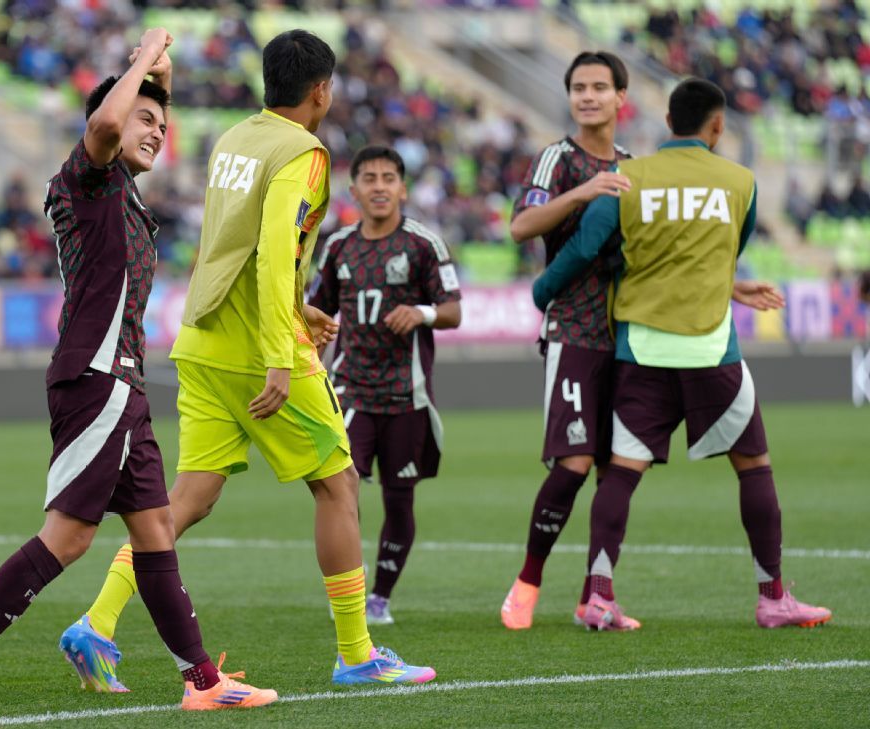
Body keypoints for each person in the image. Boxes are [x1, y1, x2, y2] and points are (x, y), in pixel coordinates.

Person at [0, 29, 276, 724]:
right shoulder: (87, 176)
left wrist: (157, 77)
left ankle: (202, 680)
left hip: (125, 385)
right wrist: (145, 54)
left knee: (156, 530)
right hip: (96, 379)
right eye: (146, 118)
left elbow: (130, 118)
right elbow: (108, 123)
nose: (157, 130)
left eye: (163, 123)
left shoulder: (127, 194)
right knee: (70, 535)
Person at [58, 30, 436, 693]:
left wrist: (298, 306)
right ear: (322, 92)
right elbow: (271, 249)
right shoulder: (303, 152)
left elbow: (229, 242)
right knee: (338, 485)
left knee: (187, 498)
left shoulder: (235, 138)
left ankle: (98, 622)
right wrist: (280, 353)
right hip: (257, 348)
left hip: (203, 341)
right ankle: (357, 652)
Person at [531, 77, 831, 631]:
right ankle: (772, 598)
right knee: (754, 467)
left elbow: (585, 248)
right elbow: (725, 253)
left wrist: (543, 291)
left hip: (641, 350)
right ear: (718, 126)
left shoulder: (626, 180)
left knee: (622, 473)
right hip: (712, 350)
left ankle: (598, 596)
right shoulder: (740, 182)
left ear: (667, 122)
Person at [500, 51, 635, 631]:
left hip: (628, 338)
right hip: (572, 331)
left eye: (599, 87)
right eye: (579, 87)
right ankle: (527, 582)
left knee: (616, 468)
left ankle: (595, 596)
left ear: (621, 97)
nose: (588, 96)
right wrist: (583, 194)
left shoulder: (635, 167)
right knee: (574, 462)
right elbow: (521, 227)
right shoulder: (557, 159)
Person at [306, 145, 462, 625]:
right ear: (353, 190)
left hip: (406, 394)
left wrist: (422, 312)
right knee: (339, 490)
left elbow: (454, 311)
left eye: (388, 178)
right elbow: (317, 313)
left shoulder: (423, 244)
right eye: (369, 178)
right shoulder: (338, 247)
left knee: (399, 498)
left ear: (402, 188)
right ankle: (349, 595)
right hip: (349, 389)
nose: (379, 186)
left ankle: (380, 598)